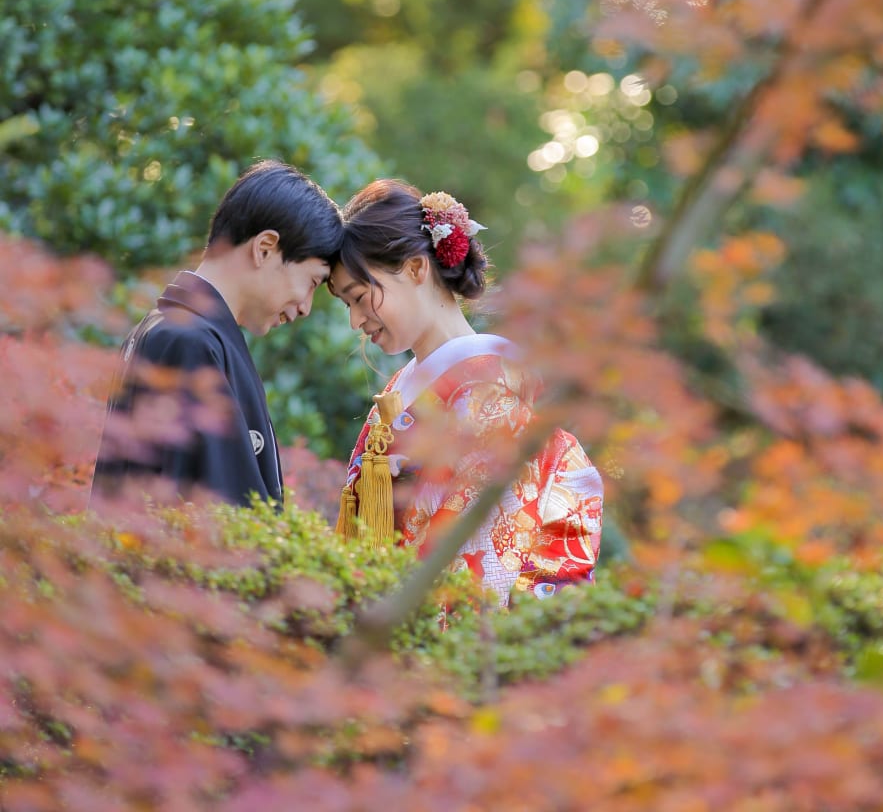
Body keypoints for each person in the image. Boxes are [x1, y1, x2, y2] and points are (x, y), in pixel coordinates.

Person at [330, 179, 603, 605]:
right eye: (347, 305)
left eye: (361, 297)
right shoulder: (406, 385)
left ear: (417, 269)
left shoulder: (488, 391)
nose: (356, 320)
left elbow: (482, 555)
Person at [92, 160, 341, 507]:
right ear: (265, 248)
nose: (305, 307)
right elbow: (221, 519)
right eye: (312, 282)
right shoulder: (191, 341)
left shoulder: (174, 329)